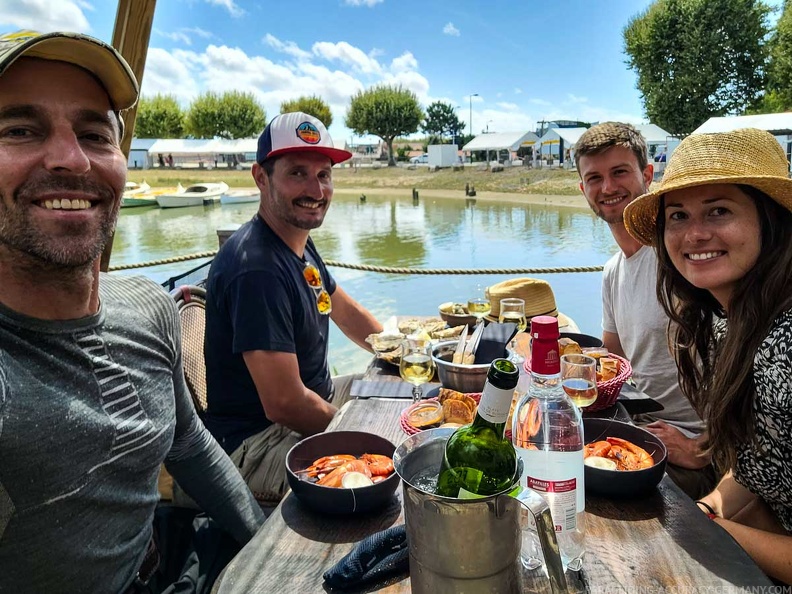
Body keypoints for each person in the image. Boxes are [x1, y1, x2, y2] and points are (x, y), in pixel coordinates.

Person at [0, 30, 265, 593]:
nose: (71, 159)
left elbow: (190, 446)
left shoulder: (148, 307)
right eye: (19, 130)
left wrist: (264, 545)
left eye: (95, 134)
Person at [623, 127, 792, 585]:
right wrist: (709, 507)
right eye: (677, 215)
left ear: (771, 220)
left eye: (719, 210)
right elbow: (757, 468)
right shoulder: (724, 322)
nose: (695, 234)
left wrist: (706, 529)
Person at [204, 112, 382, 506]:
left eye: (324, 175)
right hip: (257, 443)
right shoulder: (256, 268)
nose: (315, 190)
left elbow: (344, 311)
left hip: (314, 399)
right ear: (260, 177)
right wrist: (361, 437)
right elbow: (284, 403)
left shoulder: (295, 237)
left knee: (405, 395)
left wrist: (401, 354)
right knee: (383, 480)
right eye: (297, 173)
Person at [575, 122, 717, 499]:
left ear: (648, 174)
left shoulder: (685, 258)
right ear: (583, 189)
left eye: (619, 172)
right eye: (595, 178)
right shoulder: (612, 271)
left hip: (695, 451)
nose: (607, 188)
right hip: (640, 426)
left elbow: (751, 362)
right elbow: (611, 366)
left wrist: (705, 447)